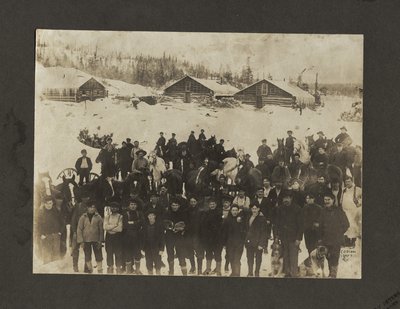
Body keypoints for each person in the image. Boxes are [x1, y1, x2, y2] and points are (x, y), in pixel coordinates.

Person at [319, 193, 350, 278]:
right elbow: (320, 226)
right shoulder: (322, 211)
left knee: (335, 256)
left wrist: (339, 232)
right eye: (325, 200)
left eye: (328, 199)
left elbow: (346, 224)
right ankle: (330, 273)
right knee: (328, 256)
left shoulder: (339, 211)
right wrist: (320, 237)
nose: (327, 201)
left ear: (333, 200)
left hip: (336, 239)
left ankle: (333, 274)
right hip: (326, 239)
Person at [275, 190, 303, 278]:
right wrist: (276, 236)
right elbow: (276, 224)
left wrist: (299, 238)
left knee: (293, 257)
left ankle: (294, 274)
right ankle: (287, 273)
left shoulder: (297, 209)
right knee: (285, 256)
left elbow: (301, 225)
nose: (286, 200)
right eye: (284, 198)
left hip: (293, 238)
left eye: (288, 198)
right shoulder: (280, 209)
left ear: (291, 198)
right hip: (283, 237)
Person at [164, 199, 190, 275]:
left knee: (181, 253)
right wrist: (168, 227)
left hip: (179, 236)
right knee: (170, 254)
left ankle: (184, 272)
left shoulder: (183, 214)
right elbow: (164, 223)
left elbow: (187, 224)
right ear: (170, 206)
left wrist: (182, 229)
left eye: (176, 205)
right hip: (169, 236)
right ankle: (171, 271)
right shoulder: (167, 213)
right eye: (173, 205)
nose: (174, 207)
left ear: (179, 206)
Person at [77, 202, 104, 274]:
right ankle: (90, 269)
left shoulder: (98, 217)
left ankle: (100, 270)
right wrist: (81, 241)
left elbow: (101, 229)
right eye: (90, 207)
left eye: (93, 207)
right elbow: (79, 229)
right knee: (87, 255)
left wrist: (101, 240)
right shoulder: (83, 217)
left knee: (98, 255)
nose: (92, 209)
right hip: (86, 240)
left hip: (96, 240)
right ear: (87, 208)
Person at [200, 199, 224, 276]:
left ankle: (218, 270)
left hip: (217, 238)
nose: (212, 205)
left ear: (216, 204)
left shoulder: (219, 213)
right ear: (208, 205)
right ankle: (208, 269)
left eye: (213, 204)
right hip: (208, 238)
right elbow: (203, 226)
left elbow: (222, 227)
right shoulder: (206, 214)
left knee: (217, 254)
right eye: (211, 204)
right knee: (208, 253)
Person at [222, 204, 247, 277]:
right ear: (231, 211)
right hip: (229, 244)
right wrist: (224, 243)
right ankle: (233, 272)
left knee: (237, 259)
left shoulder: (241, 220)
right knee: (231, 258)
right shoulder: (227, 220)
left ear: (238, 211)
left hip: (239, 243)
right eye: (233, 210)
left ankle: (237, 274)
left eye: (236, 210)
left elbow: (246, 212)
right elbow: (224, 233)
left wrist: (241, 217)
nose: (235, 212)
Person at [37, 196, 63, 264]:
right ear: (44, 204)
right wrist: (41, 234)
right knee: (47, 254)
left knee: (56, 253)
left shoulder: (56, 211)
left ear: (52, 203)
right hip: (46, 236)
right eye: (47, 203)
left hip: (56, 235)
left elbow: (62, 222)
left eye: (50, 203)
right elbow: (38, 225)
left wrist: (60, 231)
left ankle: (55, 270)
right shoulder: (41, 212)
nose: (49, 205)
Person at [122, 198, 144, 274]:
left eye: (134, 204)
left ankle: (137, 270)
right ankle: (128, 271)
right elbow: (125, 225)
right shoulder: (125, 213)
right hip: (127, 237)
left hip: (137, 237)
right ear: (129, 205)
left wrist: (131, 223)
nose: (133, 206)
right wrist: (135, 223)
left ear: (137, 205)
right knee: (128, 254)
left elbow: (141, 222)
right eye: (131, 204)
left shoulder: (140, 213)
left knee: (137, 254)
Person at [70, 191, 91, 272]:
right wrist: (75, 232)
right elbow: (73, 220)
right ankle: (75, 267)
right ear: (81, 198)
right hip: (78, 232)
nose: (86, 199)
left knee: (87, 250)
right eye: (84, 197)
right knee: (75, 249)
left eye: (87, 197)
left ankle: (87, 267)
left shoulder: (92, 207)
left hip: (88, 233)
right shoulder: (78, 206)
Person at [244, 204, 267, 277]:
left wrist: (261, 244)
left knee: (258, 258)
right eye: (253, 209)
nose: (254, 210)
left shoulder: (262, 219)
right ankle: (250, 271)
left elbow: (264, 232)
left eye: (255, 208)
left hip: (258, 242)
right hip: (249, 242)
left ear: (258, 209)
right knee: (249, 258)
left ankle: (257, 272)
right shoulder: (248, 217)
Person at [186, 196, 205, 275]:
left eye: (194, 201)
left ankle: (199, 269)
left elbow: (203, 224)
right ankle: (193, 267)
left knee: (199, 253)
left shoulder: (201, 211)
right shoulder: (187, 211)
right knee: (190, 252)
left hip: (198, 234)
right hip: (189, 234)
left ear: (197, 202)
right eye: (191, 202)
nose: (193, 203)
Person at [341, 176, 362, 247]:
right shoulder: (344, 190)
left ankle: (353, 241)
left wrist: (360, 203)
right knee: (346, 225)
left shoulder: (357, 189)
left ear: (352, 181)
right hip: (345, 211)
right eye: (346, 182)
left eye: (349, 181)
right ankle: (347, 241)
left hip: (354, 211)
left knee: (353, 226)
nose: (347, 183)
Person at [142, 209, 165, 275]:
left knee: (157, 263)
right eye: (149, 216)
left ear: (155, 216)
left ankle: (158, 276)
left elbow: (162, 238)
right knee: (149, 263)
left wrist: (161, 249)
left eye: (152, 215)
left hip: (156, 248)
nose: (151, 217)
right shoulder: (145, 226)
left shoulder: (159, 225)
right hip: (148, 247)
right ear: (147, 217)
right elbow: (143, 237)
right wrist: (142, 248)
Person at [104, 201, 124, 274]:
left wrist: (110, 227)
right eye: (112, 207)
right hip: (109, 237)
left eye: (115, 207)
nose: (113, 208)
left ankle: (118, 267)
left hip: (117, 237)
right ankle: (110, 267)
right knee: (109, 252)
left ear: (118, 208)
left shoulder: (120, 216)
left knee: (118, 252)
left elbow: (120, 229)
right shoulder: (107, 216)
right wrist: (115, 225)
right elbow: (105, 227)